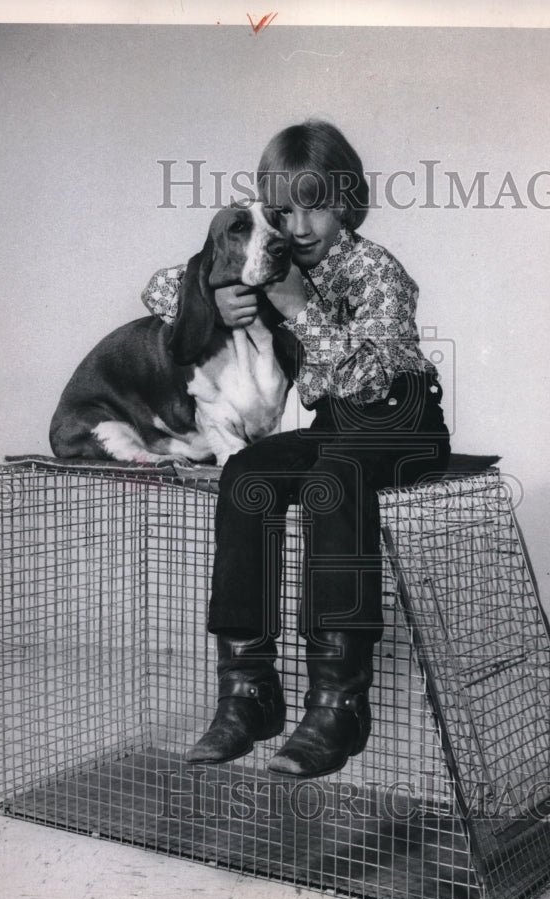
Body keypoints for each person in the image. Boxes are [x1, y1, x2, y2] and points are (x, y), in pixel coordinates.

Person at [141, 120, 451, 779]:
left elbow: (368, 379)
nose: (299, 226)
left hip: (399, 423)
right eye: (283, 210)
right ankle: (248, 690)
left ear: (347, 201)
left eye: (317, 204)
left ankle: (338, 702)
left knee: (332, 480)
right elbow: (165, 285)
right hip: (332, 428)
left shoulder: (373, 270)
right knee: (247, 472)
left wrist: (292, 305)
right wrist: (219, 302)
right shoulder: (274, 259)